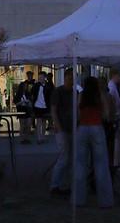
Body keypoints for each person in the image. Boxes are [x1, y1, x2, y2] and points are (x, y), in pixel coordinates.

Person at [75, 77, 114, 208]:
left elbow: (78, 114)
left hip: (82, 128)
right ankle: (105, 200)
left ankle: (78, 199)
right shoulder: (100, 95)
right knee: (101, 164)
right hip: (96, 127)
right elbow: (106, 114)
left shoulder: (81, 95)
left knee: (80, 164)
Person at [49, 69, 75, 198]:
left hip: (71, 128)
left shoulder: (74, 92)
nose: (71, 80)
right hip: (62, 128)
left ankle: (65, 184)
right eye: (69, 78)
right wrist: (58, 126)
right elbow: (53, 110)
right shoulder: (58, 92)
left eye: (73, 78)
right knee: (64, 157)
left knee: (69, 158)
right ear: (65, 78)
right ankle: (55, 185)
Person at [106, 68, 120, 168]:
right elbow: (113, 103)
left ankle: (115, 162)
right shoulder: (112, 87)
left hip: (116, 116)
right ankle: (114, 163)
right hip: (114, 117)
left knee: (116, 141)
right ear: (114, 75)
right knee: (115, 141)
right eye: (119, 76)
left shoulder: (113, 86)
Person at [32, 72, 54, 144]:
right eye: (39, 77)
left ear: (45, 77)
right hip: (37, 105)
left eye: (41, 77)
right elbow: (32, 93)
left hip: (45, 106)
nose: (40, 79)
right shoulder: (36, 85)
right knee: (38, 121)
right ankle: (39, 138)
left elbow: (51, 96)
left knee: (44, 121)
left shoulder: (48, 86)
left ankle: (43, 136)